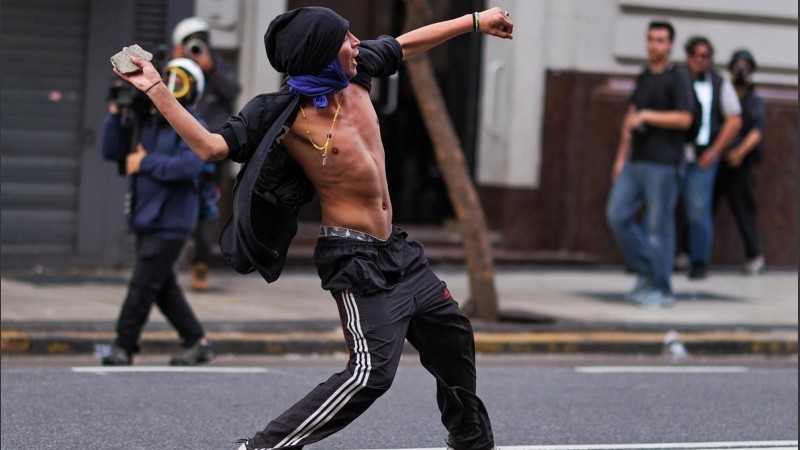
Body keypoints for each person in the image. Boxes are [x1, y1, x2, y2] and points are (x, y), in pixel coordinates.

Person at [112, 6, 514, 450]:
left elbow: (407, 44)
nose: (357, 43)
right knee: (369, 374)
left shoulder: (358, 73)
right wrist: (155, 87)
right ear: (320, 52)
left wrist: (475, 21)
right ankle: (263, 447)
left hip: (395, 247)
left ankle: (470, 437)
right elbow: (211, 147)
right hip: (354, 258)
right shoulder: (279, 114)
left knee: (452, 333)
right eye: (346, 38)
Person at [100, 58, 215, 367]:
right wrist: (115, 112)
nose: (172, 86)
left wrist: (145, 163)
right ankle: (197, 342)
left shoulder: (191, 123)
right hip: (145, 215)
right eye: (168, 79)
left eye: (180, 81)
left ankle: (124, 345)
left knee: (143, 284)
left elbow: (192, 165)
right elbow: (111, 151)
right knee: (161, 286)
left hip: (173, 220)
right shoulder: (147, 121)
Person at [605, 20, 695, 309]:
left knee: (658, 228)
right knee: (617, 215)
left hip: (664, 164)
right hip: (635, 162)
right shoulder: (644, 75)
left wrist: (647, 116)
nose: (654, 45)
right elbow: (630, 118)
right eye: (650, 39)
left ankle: (662, 288)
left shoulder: (678, 77)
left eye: (660, 40)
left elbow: (685, 118)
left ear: (670, 45)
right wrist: (621, 157)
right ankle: (646, 272)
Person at [172, 16, 242, 291]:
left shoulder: (218, 67)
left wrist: (210, 68)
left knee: (208, 207)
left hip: (212, 152)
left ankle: (201, 263)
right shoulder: (177, 67)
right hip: (181, 148)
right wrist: (179, 62)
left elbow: (233, 90)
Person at [677, 36, 742, 280]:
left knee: (698, 210)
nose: (699, 60)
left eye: (704, 56)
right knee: (662, 207)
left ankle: (699, 260)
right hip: (673, 154)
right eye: (695, 55)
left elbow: (734, 120)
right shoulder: (678, 78)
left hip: (702, 155)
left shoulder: (717, 82)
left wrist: (714, 151)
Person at [714, 49, 766, 275]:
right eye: (738, 64)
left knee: (745, 212)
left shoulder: (753, 100)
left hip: (741, 166)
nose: (741, 70)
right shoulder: (723, 93)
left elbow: (756, 131)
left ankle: (754, 255)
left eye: (745, 65)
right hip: (718, 162)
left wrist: (739, 153)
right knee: (702, 208)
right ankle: (690, 253)